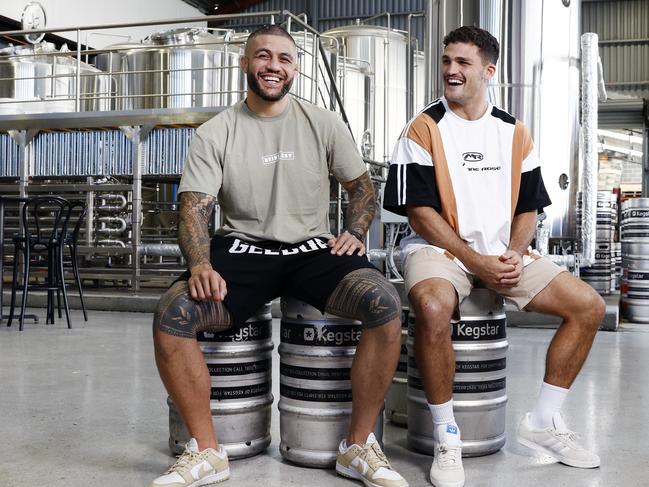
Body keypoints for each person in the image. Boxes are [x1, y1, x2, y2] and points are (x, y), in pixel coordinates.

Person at [148, 24, 408, 487]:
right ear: (245, 63)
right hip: (244, 247)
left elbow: (361, 187)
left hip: (313, 248)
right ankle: (208, 452)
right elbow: (193, 209)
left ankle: (358, 446)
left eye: (284, 59)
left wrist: (355, 229)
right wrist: (201, 263)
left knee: (385, 305)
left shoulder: (323, 122)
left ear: (295, 69)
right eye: (263, 56)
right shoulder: (216, 132)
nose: (273, 66)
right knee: (171, 316)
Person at [383, 26, 605, 487]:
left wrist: (512, 253)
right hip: (439, 251)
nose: (450, 70)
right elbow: (420, 214)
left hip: (503, 252)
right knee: (430, 306)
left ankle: (543, 421)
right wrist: (473, 260)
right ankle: (447, 436)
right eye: (446, 61)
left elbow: (529, 207)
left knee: (589, 306)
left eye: (462, 63)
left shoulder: (513, 131)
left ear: (489, 70)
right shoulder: (422, 128)